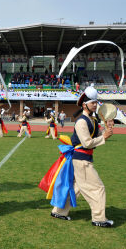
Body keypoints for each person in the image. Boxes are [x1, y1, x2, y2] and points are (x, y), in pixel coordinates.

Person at [39, 86, 114, 228]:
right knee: (98, 188)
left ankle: (59, 211)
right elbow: (87, 143)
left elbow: (96, 137)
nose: (95, 104)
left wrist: (106, 131)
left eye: (95, 102)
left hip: (82, 159)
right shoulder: (81, 121)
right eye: (93, 102)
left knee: (76, 187)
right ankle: (99, 218)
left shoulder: (92, 120)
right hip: (81, 160)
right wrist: (104, 137)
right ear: (85, 104)